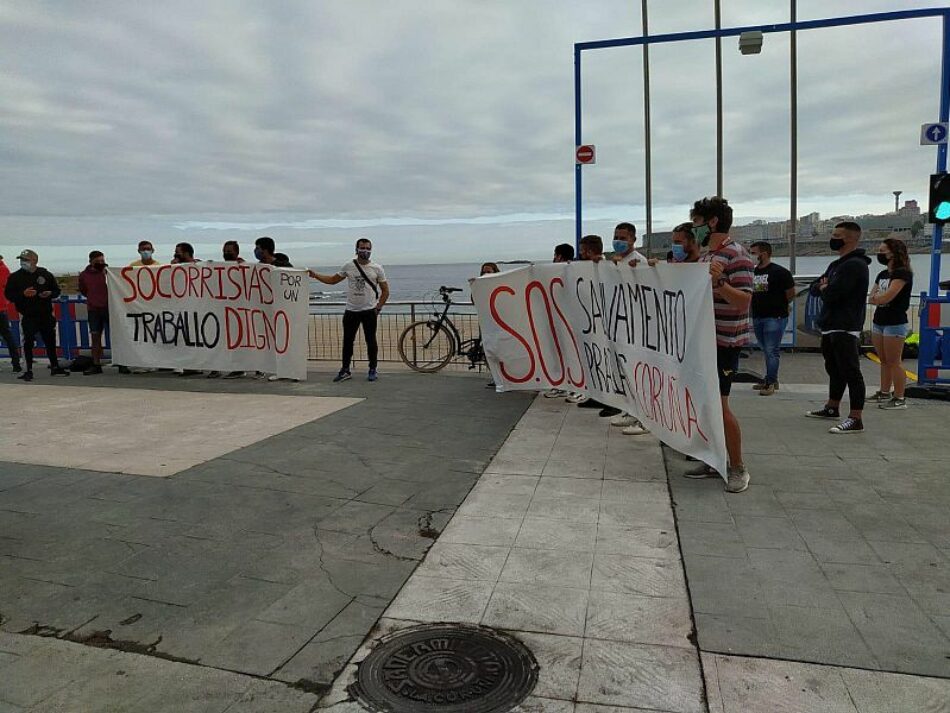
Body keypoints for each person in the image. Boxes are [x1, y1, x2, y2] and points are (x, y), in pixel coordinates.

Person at [683, 197, 753, 493]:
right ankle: (715, 459)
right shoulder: (703, 259)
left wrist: (721, 282)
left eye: (697, 223)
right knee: (705, 405)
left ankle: (738, 467)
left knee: (721, 407)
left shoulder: (737, 256)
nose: (694, 228)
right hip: (702, 342)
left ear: (711, 222)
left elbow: (744, 301)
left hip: (724, 343)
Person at [806, 221, 871, 434]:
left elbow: (834, 293)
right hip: (830, 324)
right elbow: (815, 287)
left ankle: (856, 418)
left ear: (851, 239)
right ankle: (832, 406)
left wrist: (826, 287)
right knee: (834, 369)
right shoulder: (836, 265)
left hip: (845, 325)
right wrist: (824, 286)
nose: (833, 238)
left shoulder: (855, 265)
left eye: (837, 235)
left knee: (851, 371)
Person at [310, 238, 389, 383]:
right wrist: (316, 275)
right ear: (356, 249)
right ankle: (345, 369)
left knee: (371, 341)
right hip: (351, 310)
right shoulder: (349, 266)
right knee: (347, 341)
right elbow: (333, 280)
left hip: (369, 311)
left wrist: (378, 308)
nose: (365, 251)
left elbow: (385, 291)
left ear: (371, 250)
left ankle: (372, 369)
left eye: (367, 248)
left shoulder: (377, 268)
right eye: (362, 248)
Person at [4, 250, 69, 381]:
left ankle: (55, 366)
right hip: (28, 315)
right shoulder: (15, 277)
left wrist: (49, 293)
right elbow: (9, 295)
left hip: (45, 314)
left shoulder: (45, 274)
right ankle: (28, 369)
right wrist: (23, 294)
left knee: (50, 340)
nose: (23, 262)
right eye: (21, 260)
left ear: (34, 261)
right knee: (28, 342)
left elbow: (56, 291)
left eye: (26, 260)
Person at [868, 237, 913, 410]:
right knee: (884, 360)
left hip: (895, 322)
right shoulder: (882, 275)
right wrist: (877, 299)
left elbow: (888, 296)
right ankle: (884, 391)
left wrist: (878, 298)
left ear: (893, 253)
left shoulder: (902, 274)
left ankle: (900, 397)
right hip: (879, 320)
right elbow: (872, 296)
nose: (880, 254)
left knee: (895, 361)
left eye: (882, 251)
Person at [748, 241, 795, 396]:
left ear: (764, 253)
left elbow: (790, 293)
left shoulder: (780, 272)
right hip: (758, 316)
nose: (751, 256)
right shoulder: (753, 272)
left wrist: (780, 306)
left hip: (775, 317)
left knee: (771, 350)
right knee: (765, 348)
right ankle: (770, 378)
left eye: (754, 253)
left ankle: (771, 382)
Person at [77, 251, 110, 375]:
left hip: (108, 308)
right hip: (94, 310)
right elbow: (84, 290)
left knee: (115, 336)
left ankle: (121, 363)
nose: (101, 263)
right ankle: (96, 363)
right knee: (95, 337)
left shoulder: (108, 273)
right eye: (98, 262)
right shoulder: (84, 275)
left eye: (102, 261)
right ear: (91, 261)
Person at [0, 255, 22, 373]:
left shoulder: (3, 270)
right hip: (2, 306)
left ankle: (16, 363)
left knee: (7, 336)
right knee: (7, 335)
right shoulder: (4, 269)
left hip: (0, 308)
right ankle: (16, 363)